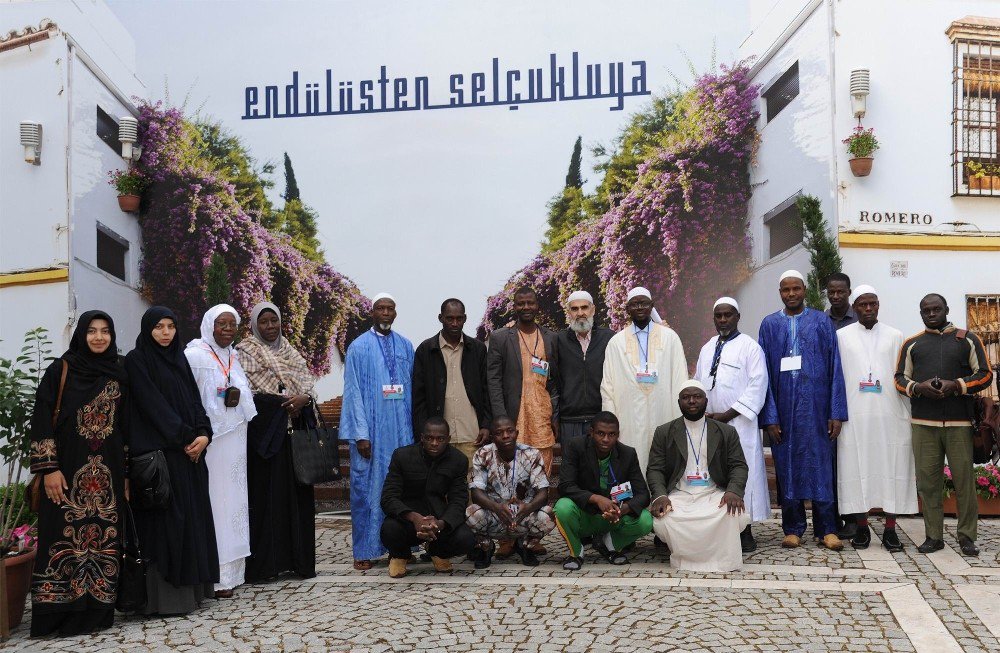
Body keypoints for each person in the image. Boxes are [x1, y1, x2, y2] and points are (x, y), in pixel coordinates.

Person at [28, 311, 128, 637]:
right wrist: (49, 469)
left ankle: (96, 612)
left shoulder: (118, 373)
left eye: (105, 332)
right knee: (60, 537)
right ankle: (56, 616)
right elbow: (41, 417)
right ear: (81, 334)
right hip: (66, 475)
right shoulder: (61, 369)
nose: (99, 337)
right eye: (92, 331)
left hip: (106, 477)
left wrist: (125, 476)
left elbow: (126, 428)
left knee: (102, 540)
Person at [125, 307, 218, 615]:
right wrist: (186, 438)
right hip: (163, 458)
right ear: (147, 329)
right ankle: (164, 601)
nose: (165, 332)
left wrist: (204, 433)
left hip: (190, 455)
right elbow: (153, 406)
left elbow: (195, 401)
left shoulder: (180, 360)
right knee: (166, 527)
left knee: (192, 523)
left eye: (170, 326)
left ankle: (194, 594)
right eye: (158, 327)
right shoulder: (137, 361)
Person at [895, 293, 993, 557]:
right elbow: (899, 380)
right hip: (923, 423)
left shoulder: (968, 339)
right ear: (921, 312)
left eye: (936, 308)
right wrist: (919, 388)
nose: (931, 313)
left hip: (960, 422)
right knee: (928, 483)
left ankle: (967, 536)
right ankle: (933, 536)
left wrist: (957, 385)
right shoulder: (912, 344)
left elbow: (985, 374)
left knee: (964, 482)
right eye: (926, 310)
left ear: (946, 309)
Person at [759, 270, 848, 551]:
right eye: (786, 290)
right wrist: (770, 417)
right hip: (784, 410)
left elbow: (835, 368)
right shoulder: (770, 325)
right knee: (787, 467)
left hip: (817, 409)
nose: (791, 294)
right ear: (780, 292)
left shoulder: (821, 322)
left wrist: (835, 412)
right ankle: (793, 528)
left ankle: (827, 529)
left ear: (805, 290)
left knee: (821, 467)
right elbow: (763, 375)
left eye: (796, 289)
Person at [236, 301, 318, 582]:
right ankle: (267, 567)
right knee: (266, 502)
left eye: (274, 321)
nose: (270, 327)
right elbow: (248, 394)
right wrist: (283, 403)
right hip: (265, 441)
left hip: (293, 439)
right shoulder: (245, 352)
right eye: (264, 322)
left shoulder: (290, 351)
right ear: (254, 325)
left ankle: (299, 564)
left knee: (297, 502)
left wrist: (303, 399)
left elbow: (307, 385)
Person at [836, 287, 916, 552]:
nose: (868, 309)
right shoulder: (841, 336)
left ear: (879, 306)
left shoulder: (896, 336)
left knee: (891, 469)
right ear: (854, 308)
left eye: (872, 304)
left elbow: (903, 376)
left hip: (889, 415)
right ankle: (861, 527)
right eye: (862, 305)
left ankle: (891, 530)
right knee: (856, 468)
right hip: (854, 417)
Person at [185, 304, 257, 598]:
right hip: (210, 441)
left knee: (234, 505)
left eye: (232, 324)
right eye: (221, 324)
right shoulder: (194, 356)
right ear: (208, 325)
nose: (227, 329)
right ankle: (213, 576)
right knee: (215, 503)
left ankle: (231, 573)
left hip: (236, 440)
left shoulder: (233, 355)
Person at [341, 293, 415, 570]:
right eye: (380, 308)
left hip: (401, 431)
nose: (385, 313)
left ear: (395, 313)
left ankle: (402, 545)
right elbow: (352, 392)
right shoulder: (358, 347)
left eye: (390, 309)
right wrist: (360, 434)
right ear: (371, 313)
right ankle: (365, 549)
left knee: (403, 487)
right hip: (371, 432)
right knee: (367, 489)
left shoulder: (406, 346)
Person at [647, 381, 751, 572]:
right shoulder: (664, 432)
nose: (692, 401)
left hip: (713, 493)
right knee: (668, 517)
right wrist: (660, 496)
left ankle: (723, 562)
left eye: (697, 396)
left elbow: (738, 466)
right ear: (679, 402)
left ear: (706, 400)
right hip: (680, 494)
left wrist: (733, 491)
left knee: (729, 513)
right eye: (686, 397)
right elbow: (655, 469)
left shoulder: (726, 431)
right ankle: (685, 560)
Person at [694, 297, 769, 552]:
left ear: (738, 317)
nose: (723, 320)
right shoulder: (707, 348)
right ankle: (720, 529)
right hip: (711, 426)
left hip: (740, 426)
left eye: (728, 315)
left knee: (742, 475)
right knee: (715, 477)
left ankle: (745, 530)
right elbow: (698, 383)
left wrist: (727, 415)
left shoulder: (750, 347)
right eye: (718, 316)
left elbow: (758, 386)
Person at [601, 286, 687, 472]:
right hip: (628, 416)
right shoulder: (616, 342)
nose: (639, 307)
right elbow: (607, 387)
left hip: (664, 412)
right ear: (627, 309)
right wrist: (610, 424)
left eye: (644, 303)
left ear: (652, 306)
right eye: (634, 304)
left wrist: (681, 419)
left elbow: (681, 380)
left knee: (663, 460)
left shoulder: (670, 338)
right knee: (632, 461)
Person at [554, 411, 653, 570]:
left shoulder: (628, 454)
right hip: (585, 513)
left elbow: (643, 494)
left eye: (611, 434)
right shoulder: (576, 446)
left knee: (646, 520)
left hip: (613, 517)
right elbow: (566, 486)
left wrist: (623, 509)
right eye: (601, 433)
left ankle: (610, 544)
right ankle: (576, 552)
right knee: (562, 507)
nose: (606, 439)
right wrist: (596, 499)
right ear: (591, 432)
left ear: (618, 435)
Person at [380, 417, 477, 578]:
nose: (434, 443)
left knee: (466, 539)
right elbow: (388, 497)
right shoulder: (402, 456)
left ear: (448, 439)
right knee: (388, 530)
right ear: (422, 438)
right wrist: (413, 517)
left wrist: (440, 523)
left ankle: (436, 552)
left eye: (440, 439)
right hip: (407, 520)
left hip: (438, 522)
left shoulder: (458, 460)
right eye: (429, 438)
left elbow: (458, 500)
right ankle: (401, 555)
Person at [486, 286, 559, 477]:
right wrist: (500, 419)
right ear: (514, 307)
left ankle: (539, 504)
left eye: (530, 303)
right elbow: (493, 381)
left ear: (537, 306)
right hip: (513, 416)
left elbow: (555, 382)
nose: (526, 307)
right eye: (521, 303)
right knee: (512, 469)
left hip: (541, 414)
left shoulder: (551, 337)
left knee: (542, 467)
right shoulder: (500, 337)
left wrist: (555, 415)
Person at [466, 416, 554, 569]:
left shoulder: (531, 454)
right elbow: (476, 493)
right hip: (494, 515)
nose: (505, 435)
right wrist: (497, 508)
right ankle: (486, 548)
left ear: (517, 433)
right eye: (499, 433)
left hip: (523, 514)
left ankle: (524, 546)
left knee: (548, 515)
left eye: (510, 431)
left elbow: (543, 492)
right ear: (492, 438)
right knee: (471, 513)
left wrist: (528, 508)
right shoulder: (483, 454)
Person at [412, 298, 491, 468]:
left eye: (459, 318)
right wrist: (424, 432)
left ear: (465, 318)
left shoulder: (477, 349)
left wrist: (486, 425)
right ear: (440, 318)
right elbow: (419, 397)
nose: (455, 323)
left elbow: (487, 390)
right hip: (438, 440)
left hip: (472, 436)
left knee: (472, 489)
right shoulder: (426, 350)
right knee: (439, 489)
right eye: (450, 318)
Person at [556, 290, 614, 443]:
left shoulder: (610, 338)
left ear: (593, 310)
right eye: (574, 309)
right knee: (571, 466)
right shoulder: (558, 340)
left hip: (601, 420)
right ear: (569, 312)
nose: (580, 313)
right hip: (569, 420)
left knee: (599, 467)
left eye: (584, 307)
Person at [825, 272, 858, 540]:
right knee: (833, 462)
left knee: (852, 461)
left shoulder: (860, 319)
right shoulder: (820, 321)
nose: (836, 297)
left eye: (841, 292)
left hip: (857, 400)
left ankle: (854, 518)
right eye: (831, 292)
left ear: (849, 291)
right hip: (828, 402)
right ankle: (832, 519)